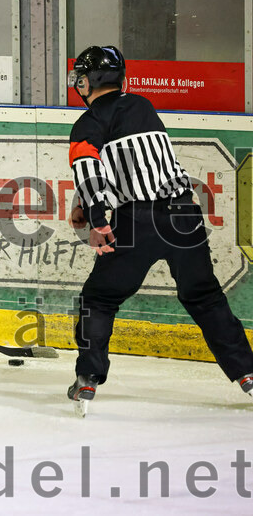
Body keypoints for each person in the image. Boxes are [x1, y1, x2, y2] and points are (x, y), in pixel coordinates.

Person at [66, 45, 253, 412]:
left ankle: (87, 381)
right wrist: (86, 206)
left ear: (88, 81)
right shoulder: (143, 106)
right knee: (205, 297)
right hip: (184, 214)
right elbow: (133, 163)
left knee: (99, 300)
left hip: (136, 222)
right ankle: (248, 374)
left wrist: (99, 219)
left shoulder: (87, 124)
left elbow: (90, 171)